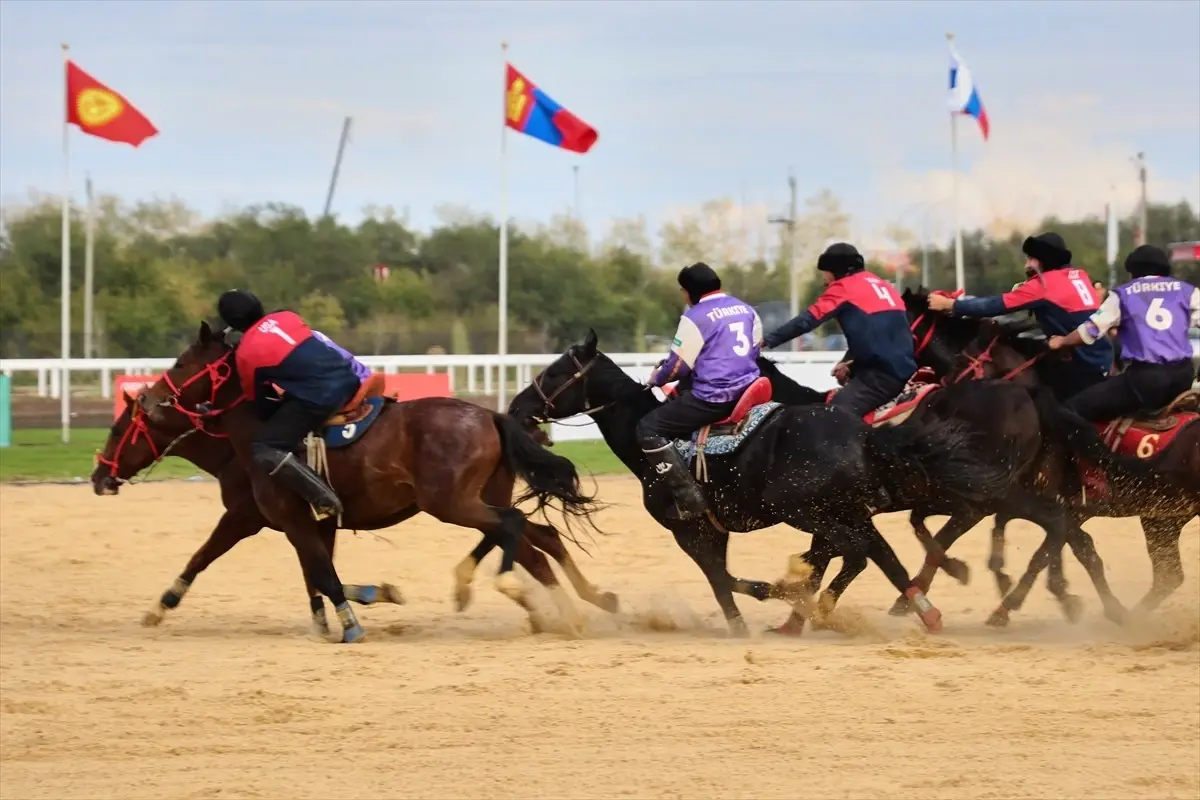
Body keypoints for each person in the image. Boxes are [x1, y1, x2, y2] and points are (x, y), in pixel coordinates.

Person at [217, 289, 362, 517]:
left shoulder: (245, 354)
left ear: (232, 323)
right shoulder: (287, 316)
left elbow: (259, 403)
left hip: (321, 397)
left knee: (265, 447)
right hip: (349, 378)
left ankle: (323, 497)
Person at [638, 262, 762, 520]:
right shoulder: (747, 309)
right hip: (749, 389)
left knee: (647, 428)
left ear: (690, 292)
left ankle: (689, 498)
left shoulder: (694, 317)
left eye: (683, 291)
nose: (683, 296)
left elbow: (676, 368)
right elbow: (755, 349)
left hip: (714, 398)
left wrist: (656, 377)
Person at [927, 232, 1113, 401]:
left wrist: (950, 305)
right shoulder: (1078, 275)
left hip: (1080, 367)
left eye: (1031, 259)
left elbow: (995, 305)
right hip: (1102, 357)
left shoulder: (1043, 286)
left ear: (1045, 260)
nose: (1027, 264)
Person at [1047, 244, 1199, 422]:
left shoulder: (1123, 294)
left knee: (1070, 409)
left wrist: (1062, 342)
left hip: (1145, 381)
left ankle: (1096, 450)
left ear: (1133, 271)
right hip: (1183, 377)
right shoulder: (1188, 290)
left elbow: (1091, 330)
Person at [763, 242, 916, 417]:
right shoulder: (882, 285)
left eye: (826, 272)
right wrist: (851, 363)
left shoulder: (843, 288)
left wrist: (768, 340)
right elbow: (881, 336)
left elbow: (806, 321)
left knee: (832, 418)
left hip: (880, 377)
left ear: (838, 270)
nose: (824, 278)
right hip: (904, 370)